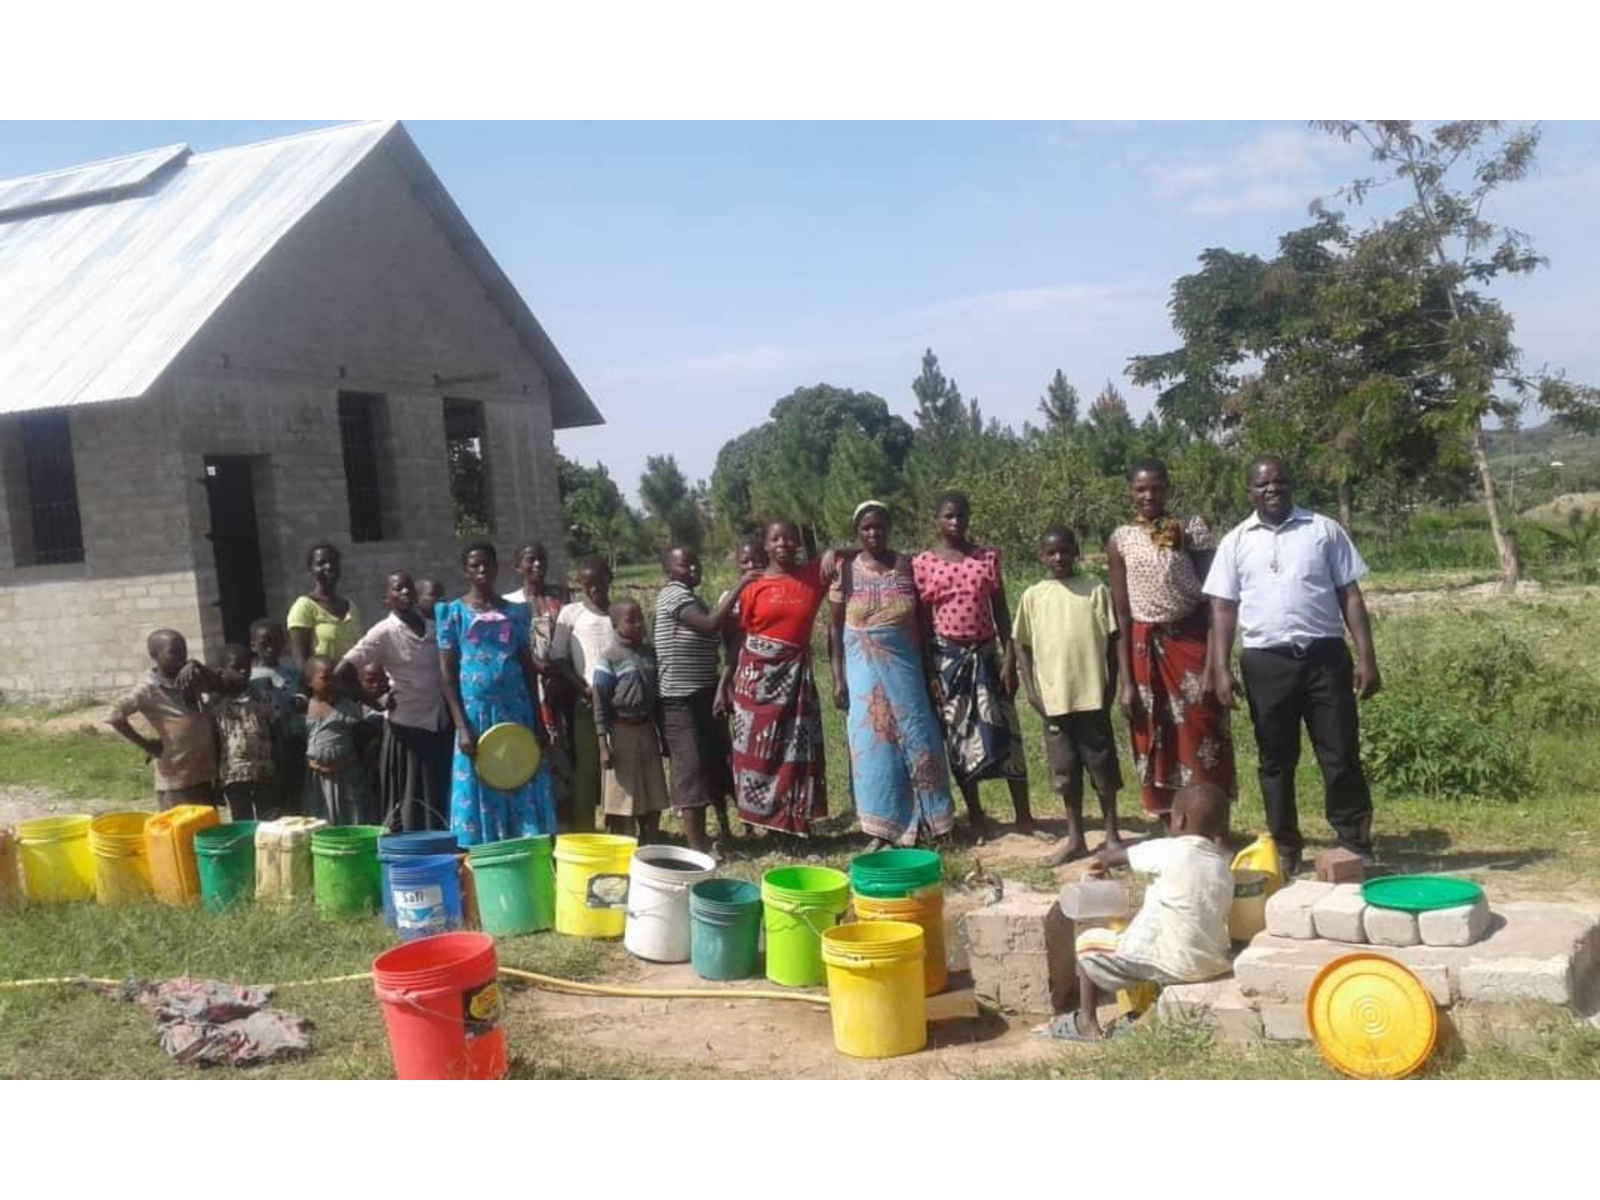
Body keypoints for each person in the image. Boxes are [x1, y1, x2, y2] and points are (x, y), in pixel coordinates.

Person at [1204, 456, 1382, 878]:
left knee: (1340, 754)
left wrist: (1367, 658)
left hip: (1324, 658)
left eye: (1279, 481)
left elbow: (1350, 597)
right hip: (1266, 662)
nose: (1272, 488)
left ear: (1291, 485)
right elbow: (1223, 609)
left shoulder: (1323, 530)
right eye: (1262, 483)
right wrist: (1221, 668)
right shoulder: (1236, 541)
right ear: (1249, 491)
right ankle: (1285, 846)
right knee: (1275, 760)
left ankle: (1354, 842)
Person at [1050, 783, 1234, 1042]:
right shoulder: (1222, 867)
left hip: (1175, 964)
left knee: (1087, 942)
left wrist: (1100, 864)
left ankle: (1086, 1022)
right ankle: (1146, 1006)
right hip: (1211, 962)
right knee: (1156, 935)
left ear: (1180, 820)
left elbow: (1112, 856)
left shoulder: (1168, 849)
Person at [1107, 459, 1237, 826]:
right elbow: (1121, 615)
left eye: (1156, 487)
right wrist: (1126, 682)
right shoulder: (1121, 539)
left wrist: (1216, 662)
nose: (1149, 495)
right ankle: (1172, 828)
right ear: (1131, 492)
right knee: (1154, 736)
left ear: (1168, 488)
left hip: (1191, 641)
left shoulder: (1192, 528)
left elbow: (1215, 598)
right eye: (1141, 489)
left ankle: (1212, 825)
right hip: (1143, 648)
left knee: (1204, 728)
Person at [911, 491, 1039, 838]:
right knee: (959, 738)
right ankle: (978, 817)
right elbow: (923, 623)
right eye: (949, 516)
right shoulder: (923, 563)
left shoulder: (987, 557)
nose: (956, 522)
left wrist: (1009, 659)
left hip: (986, 657)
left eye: (962, 516)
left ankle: (1024, 816)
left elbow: (1000, 610)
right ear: (936, 520)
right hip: (949, 661)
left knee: (1008, 734)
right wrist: (929, 672)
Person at [826, 501, 954, 849]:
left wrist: (930, 670)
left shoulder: (908, 566)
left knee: (919, 736)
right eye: (866, 528)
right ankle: (880, 829)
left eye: (879, 527)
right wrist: (838, 677)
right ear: (857, 532)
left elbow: (924, 624)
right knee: (872, 742)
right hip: (862, 666)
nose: (873, 533)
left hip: (906, 665)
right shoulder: (845, 570)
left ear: (889, 528)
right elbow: (834, 628)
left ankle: (931, 822)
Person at [1014, 526, 1122, 864]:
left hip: (1091, 697)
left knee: (1102, 766)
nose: (1059, 557)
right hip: (1054, 702)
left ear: (1076, 551)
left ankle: (1112, 835)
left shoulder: (1095, 589)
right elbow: (1021, 644)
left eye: (1065, 551)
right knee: (1066, 771)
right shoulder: (1033, 596)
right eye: (1051, 552)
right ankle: (1076, 838)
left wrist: (1112, 686)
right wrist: (1031, 691)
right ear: (1041, 556)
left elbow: (1113, 641)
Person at [437, 542, 556, 845]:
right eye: (475, 565)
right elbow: (447, 675)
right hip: (476, 717)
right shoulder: (452, 614)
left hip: (516, 712)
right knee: (481, 778)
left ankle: (525, 847)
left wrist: (539, 721)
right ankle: (484, 855)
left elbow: (527, 667)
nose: (482, 570)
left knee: (519, 773)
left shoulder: (516, 613)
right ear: (465, 570)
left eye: (487, 564)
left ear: (496, 567)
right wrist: (462, 725)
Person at [728, 519, 829, 837]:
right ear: (766, 546)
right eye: (776, 539)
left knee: (797, 751)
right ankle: (763, 821)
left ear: (799, 543)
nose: (783, 544)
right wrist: (726, 680)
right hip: (757, 682)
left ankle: (795, 819)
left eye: (790, 538)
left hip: (796, 679)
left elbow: (844, 554)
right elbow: (740, 638)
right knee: (758, 753)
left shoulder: (813, 577)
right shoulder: (753, 586)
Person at [338, 572, 451, 831]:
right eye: (397, 589)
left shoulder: (433, 627)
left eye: (408, 586)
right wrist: (374, 701)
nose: (405, 592)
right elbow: (342, 671)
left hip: (439, 723)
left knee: (438, 793)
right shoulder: (384, 632)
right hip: (407, 728)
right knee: (411, 799)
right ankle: (411, 855)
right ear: (386, 598)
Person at [655, 545, 747, 853]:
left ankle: (719, 834)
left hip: (702, 693)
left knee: (712, 764)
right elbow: (708, 625)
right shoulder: (674, 595)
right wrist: (741, 585)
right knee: (690, 770)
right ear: (669, 571)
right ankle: (696, 846)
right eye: (685, 564)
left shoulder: (692, 597)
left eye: (695, 561)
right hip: (680, 699)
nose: (694, 568)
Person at [108, 630, 219, 809]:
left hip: (204, 773)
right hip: (176, 779)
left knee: (206, 829)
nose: (181, 657)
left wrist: (197, 664)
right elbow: (115, 716)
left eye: (184, 651)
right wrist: (147, 745)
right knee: (179, 830)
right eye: (173, 652)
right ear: (154, 655)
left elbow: (219, 686)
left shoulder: (190, 677)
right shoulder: (148, 688)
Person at [593, 598, 671, 843]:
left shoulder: (649, 653)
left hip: (646, 728)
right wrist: (603, 746)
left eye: (640, 618)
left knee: (652, 788)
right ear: (616, 624)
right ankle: (625, 843)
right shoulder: (610, 658)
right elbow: (600, 703)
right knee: (624, 794)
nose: (638, 624)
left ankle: (651, 840)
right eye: (631, 620)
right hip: (620, 731)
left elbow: (657, 700)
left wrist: (663, 736)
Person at [551, 557, 616, 833]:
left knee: (618, 772)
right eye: (586, 585)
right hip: (587, 701)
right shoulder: (571, 613)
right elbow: (558, 657)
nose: (593, 589)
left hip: (621, 704)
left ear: (609, 579)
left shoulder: (619, 611)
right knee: (587, 771)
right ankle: (585, 832)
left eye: (598, 582)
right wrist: (582, 686)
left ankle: (619, 829)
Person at [210, 643, 281, 821]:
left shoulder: (262, 697)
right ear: (221, 671)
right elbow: (214, 743)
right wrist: (215, 779)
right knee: (242, 819)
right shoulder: (216, 705)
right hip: (233, 774)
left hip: (264, 770)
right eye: (237, 667)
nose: (244, 671)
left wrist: (279, 765)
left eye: (247, 667)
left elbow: (276, 731)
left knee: (269, 818)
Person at [302, 655, 375, 824]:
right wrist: (313, 764)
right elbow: (301, 743)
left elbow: (361, 741)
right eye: (325, 679)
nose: (331, 684)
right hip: (316, 777)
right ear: (309, 682)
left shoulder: (347, 707)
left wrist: (345, 762)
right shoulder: (305, 708)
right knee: (319, 818)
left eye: (334, 679)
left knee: (350, 815)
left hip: (346, 773)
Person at [287, 543, 364, 667]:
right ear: (311, 568)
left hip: (353, 683)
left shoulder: (350, 607)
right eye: (321, 563)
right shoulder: (304, 606)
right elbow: (300, 660)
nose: (329, 566)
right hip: (324, 684)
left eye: (333, 561)